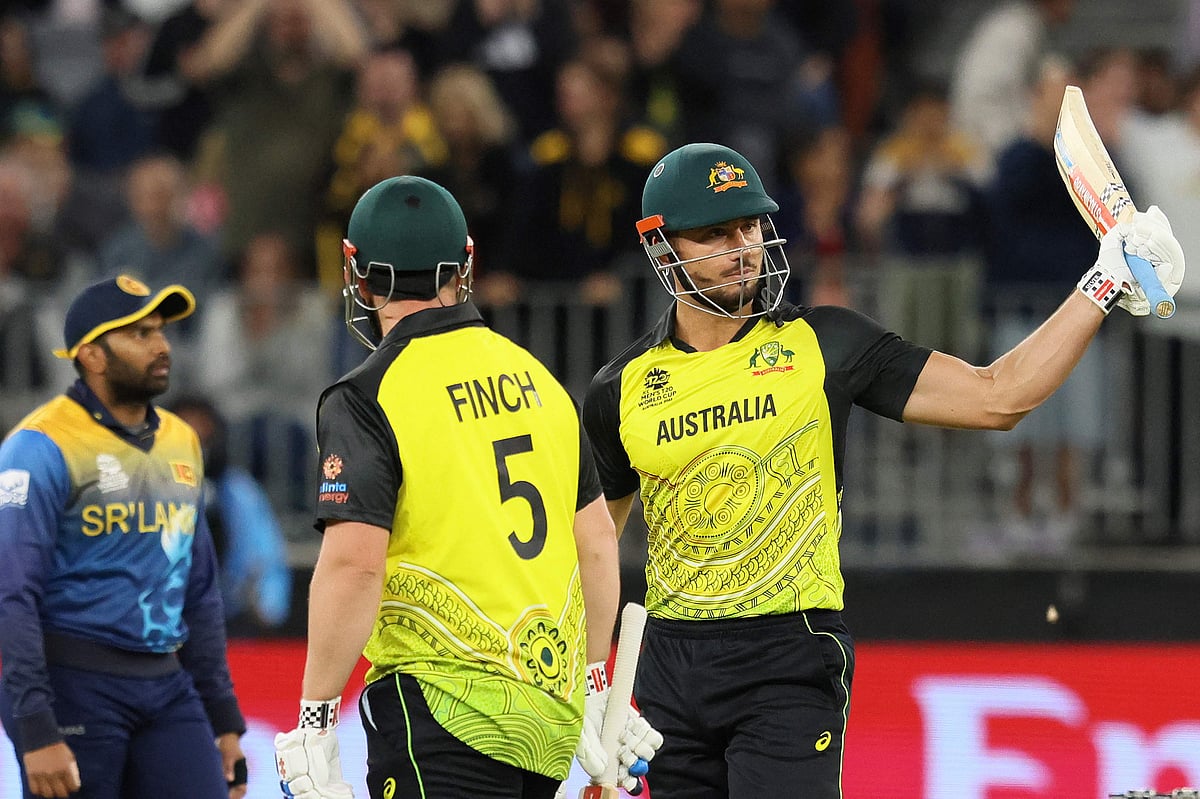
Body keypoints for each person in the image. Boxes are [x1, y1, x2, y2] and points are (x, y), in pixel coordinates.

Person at [580, 142, 1186, 799]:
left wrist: (1099, 285)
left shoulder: (826, 342)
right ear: (661, 246)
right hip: (668, 666)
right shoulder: (622, 388)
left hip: (787, 654)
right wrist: (590, 690)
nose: (744, 247)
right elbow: (597, 549)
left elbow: (997, 396)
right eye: (716, 233)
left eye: (750, 226)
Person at [273, 176, 661, 799]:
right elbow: (593, 541)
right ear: (467, 262)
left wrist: (315, 722)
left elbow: (353, 568)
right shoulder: (539, 379)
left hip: (439, 712)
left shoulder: (366, 396)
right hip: (545, 727)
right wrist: (594, 684)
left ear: (356, 270)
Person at [0, 275, 249, 798]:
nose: (161, 346)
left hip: (167, 684)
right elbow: (11, 593)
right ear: (90, 354)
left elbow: (199, 589)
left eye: (160, 331)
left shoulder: (183, 439)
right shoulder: (38, 446)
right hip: (73, 685)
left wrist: (224, 720)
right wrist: (34, 725)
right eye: (139, 333)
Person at [167, 394, 294, 635]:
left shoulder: (239, 491)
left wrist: (267, 608)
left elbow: (267, 554)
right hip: (164, 619)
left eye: (201, 433)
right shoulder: (147, 489)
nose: (194, 442)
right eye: (185, 431)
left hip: (230, 620)